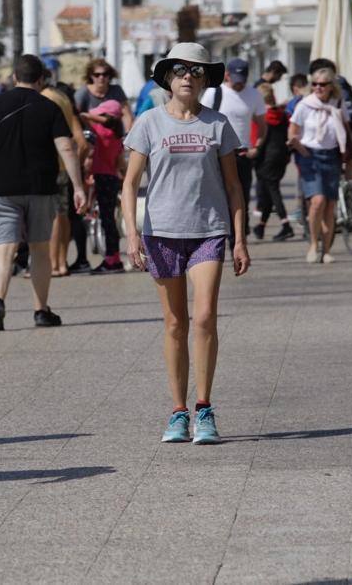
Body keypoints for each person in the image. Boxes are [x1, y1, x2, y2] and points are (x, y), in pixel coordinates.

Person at [121, 42, 250, 445]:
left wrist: (241, 239)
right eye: (180, 70)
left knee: (205, 316)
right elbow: (129, 185)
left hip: (208, 231)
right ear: (167, 78)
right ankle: (178, 412)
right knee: (175, 322)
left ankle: (204, 408)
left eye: (196, 71)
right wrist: (131, 232)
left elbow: (234, 186)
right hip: (161, 233)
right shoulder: (148, 123)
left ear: (205, 79)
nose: (188, 77)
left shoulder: (218, 124)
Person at [0, 54, 87, 331]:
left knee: (3, 247)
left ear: (13, 77)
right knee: (40, 248)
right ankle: (41, 310)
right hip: (40, 187)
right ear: (42, 79)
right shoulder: (49, 106)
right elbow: (67, 148)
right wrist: (77, 186)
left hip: (0, 187)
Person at [288, 65, 352, 264]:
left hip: (332, 155)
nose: (318, 87)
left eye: (322, 84)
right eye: (314, 84)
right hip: (310, 156)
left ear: (331, 86)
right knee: (317, 201)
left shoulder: (338, 103)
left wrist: (348, 156)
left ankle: (326, 250)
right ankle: (313, 245)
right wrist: (303, 151)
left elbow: (346, 130)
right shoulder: (304, 105)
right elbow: (292, 132)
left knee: (330, 205)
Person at [200, 58, 265, 237]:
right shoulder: (214, 93)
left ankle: (238, 236)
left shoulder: (254, 94)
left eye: (242, 80)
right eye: (235, 80)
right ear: (227, 75)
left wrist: (257, 146)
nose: (239, 84)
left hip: (242, 153)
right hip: (217, 154)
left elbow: (262, 124)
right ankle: (221, 234)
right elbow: (202, 120)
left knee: (241, 195)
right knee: (218, 195)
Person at [41, 71, 90, 277]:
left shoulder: (44, 98)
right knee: (63, 215)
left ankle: (52, 264)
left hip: (49, 165)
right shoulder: (63, 99)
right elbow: (82, 142)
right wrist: (75, 167)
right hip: (64, 167)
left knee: (52, 216)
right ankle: (62, 263)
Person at [86, 98, 126, 273]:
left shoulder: (104, 131)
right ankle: (113, 257)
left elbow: (86, 117)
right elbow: (120, 163)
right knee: (109, 219)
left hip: (103, 178)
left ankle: (112, 260)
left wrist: (88, 113)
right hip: (112, 178)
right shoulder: (117, 133)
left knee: (107, 220)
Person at [252, 84, 294, 241]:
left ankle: (286, 225)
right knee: (270, 192)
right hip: (281, 156)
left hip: (266, 158)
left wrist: (253, 153)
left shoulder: (262, 116)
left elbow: (257, 137)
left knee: (273, 191)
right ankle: (261, 226)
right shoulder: (282, 114)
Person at [75, 58, 135, 134]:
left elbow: (126, 115)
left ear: (109, 76)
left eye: (105, 74)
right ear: (91, 76)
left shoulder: (117, 90)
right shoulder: (83, 93)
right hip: (92, 138)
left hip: (115, 137)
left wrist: (127, 133)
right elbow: (76, 117)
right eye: (97, 75)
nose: (101, 77)